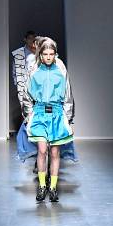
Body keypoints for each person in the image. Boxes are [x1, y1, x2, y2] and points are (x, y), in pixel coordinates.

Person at [23, 37, 75, 202]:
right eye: (45, 53)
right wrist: (29, 116)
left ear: (55, 54)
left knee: (54, 152)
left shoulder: (61, 69)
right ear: (40, 54)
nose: (48, 57)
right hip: (39, 113)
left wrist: (67, 118)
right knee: (42, 150)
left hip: (57, 114)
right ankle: (42, 186)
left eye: (51, 54)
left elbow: (67, 95)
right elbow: (27, 96)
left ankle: (52, 187)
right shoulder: (34, 70)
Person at [12, 31, 39, 162]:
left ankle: (38, 149)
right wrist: (19, 87)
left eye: (34, 38)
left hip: (39, 90)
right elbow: (15, 72)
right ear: (25, 39)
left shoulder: (41, 52)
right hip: (25, 89)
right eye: (30, 38)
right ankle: (30, 148)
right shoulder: (19, 54)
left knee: (37, 119)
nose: (32, 41)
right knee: (28, 118)